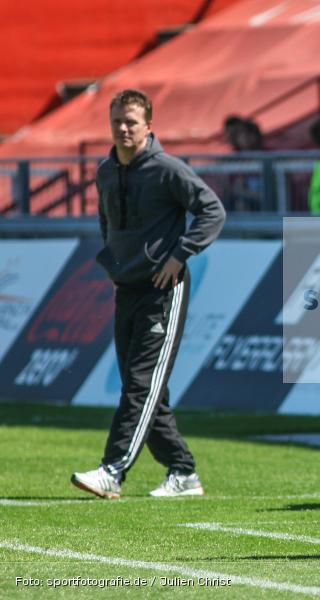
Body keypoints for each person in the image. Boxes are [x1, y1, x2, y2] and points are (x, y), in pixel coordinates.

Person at [71, 89, 226, 499]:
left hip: (163, 289)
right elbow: (106, 220)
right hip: (128, 287)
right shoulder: (106, 171)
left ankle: (113, 470)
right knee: (142, 386)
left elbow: (213, 210)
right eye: (117, 121)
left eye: (132, 122)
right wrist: (116, 262)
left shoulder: (167, 169)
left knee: (140, 384)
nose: (123, 128)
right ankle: (183, 472)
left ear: (148, 126)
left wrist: (180, 254)